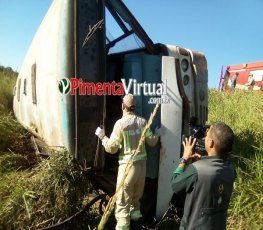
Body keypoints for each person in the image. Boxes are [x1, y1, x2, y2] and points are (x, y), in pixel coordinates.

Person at [95, 93, 163, 230]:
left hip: (127, 169)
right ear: (134, 107)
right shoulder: (143, 122)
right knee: (135, 204)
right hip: (141, 170)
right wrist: (157, 133)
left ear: (122, 106)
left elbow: (112, 148)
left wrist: (102, 137)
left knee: (122, 206)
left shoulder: (120, 125)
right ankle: (137, 226)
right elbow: (152, 142)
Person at [171, 121, 236, 230]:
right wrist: (201, 161)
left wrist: (184, 158)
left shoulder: (196, 171)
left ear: (210, 143)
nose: (204, 138)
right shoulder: (230, 170)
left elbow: (175, 183)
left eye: (206, 136)